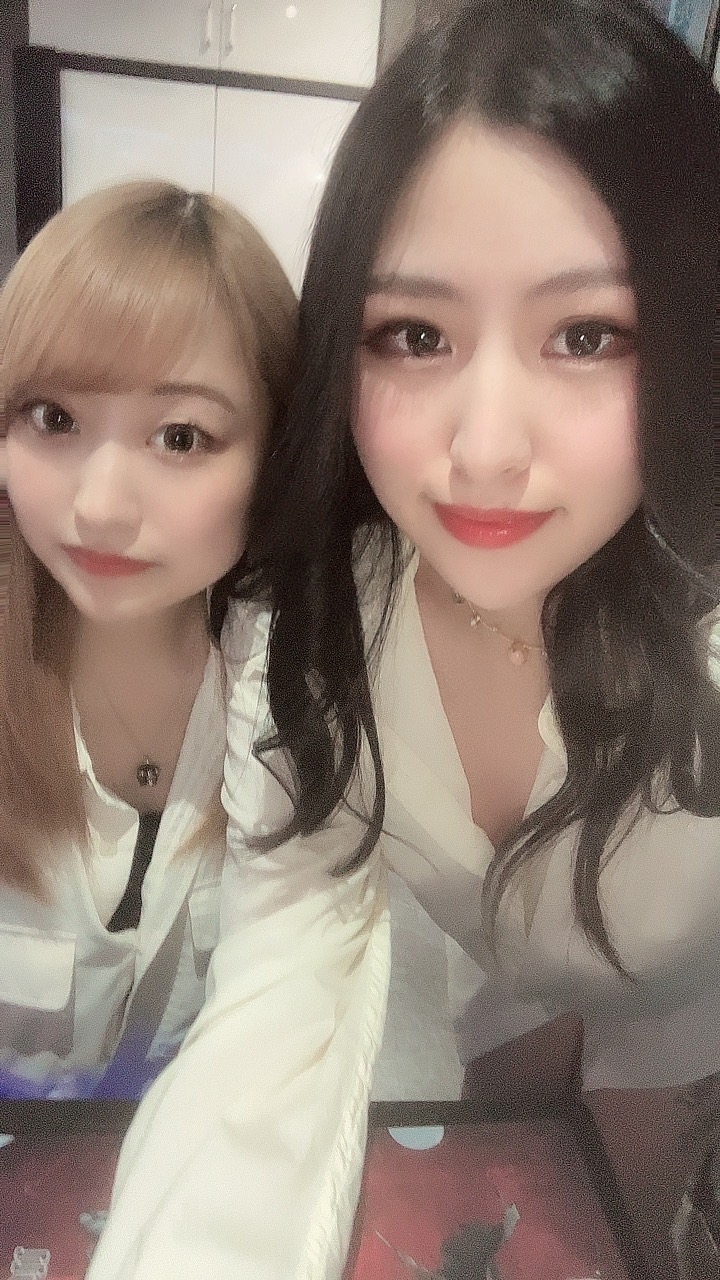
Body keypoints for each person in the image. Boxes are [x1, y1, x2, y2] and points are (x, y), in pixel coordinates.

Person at [86, 1, 720, 1277]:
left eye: (587, 334)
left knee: (636, 1228)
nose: (483, 448)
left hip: (689, 1005)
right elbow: (281, 985)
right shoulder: (318, 630)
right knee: (505, 1190)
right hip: (507, 976)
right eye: (416, 335)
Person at [0, 180, 296, 1099]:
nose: (98, 506)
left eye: (180, 436)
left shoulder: (307, 695)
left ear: (277, 455)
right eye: (53, 418)